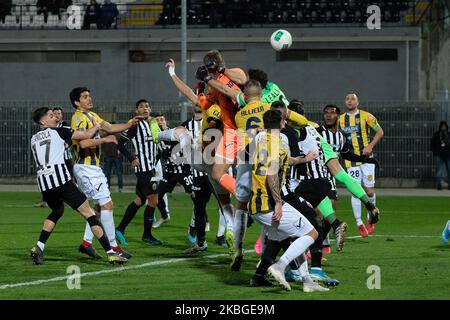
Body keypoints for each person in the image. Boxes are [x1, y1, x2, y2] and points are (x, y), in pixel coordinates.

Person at [29, 107, 127, 265]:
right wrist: (96, 125)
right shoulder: (60, 131)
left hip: (44, 184)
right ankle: (111, 253)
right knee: (90, 214)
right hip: (61, 181)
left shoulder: (34, 138)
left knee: (57, 211)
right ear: (43, 121)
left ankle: (38, 247)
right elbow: (86, 136)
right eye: (51, 115)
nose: (55, 117)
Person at [249, 110, 328, 293]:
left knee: (291, 237)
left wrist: (303, 159)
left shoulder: (261, 139)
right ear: (282, 123)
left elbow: (282, 161)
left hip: (256, 202)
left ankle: (307, 281)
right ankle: (280, 266)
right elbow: (271, 174)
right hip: (268, 203)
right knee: (312, 233)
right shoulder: (278, 143)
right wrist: (278, 203)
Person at [70, 87, 141, 259]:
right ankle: (114, 247)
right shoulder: (78, 118)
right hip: (87, 168)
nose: (89, 98)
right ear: (76, 102)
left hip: (92, 168)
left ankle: (86, 243)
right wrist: (104, 139)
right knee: (107, 205)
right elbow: (83, 144)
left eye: (89, 95)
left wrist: (130, 123)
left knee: (96, 208)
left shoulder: (92, 116)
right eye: (85, 97)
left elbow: (109, 127)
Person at [115, 99, 163, 246]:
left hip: (151, 168)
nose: (145, 108)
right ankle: (147, 235)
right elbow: (120, 143)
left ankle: (120, 229)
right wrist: (131, 159)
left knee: (139, 200)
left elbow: (158, 146)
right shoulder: (135, 125)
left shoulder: (154, 125)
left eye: (147, 106)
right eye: (141, 107)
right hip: (143, 169)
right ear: (137, 110)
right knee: (153, 200)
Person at [339, 92, 384, 237]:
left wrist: (370, 146)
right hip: (351, 160)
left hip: (367, 159)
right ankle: (359, 223)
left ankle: (370, 218)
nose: (350, 101)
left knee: (369, 191)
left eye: (353, 99)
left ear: (357, 102)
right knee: (355, 191)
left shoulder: (367, 116)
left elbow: (380, 132)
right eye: (347, 99)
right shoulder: (340, 119)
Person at [101, 125, 124, 192]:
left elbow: (123, 144)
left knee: (113, 173)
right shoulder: (116, 135)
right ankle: (115, 187)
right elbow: (102, 146)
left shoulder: (117, 135)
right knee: (110, 173)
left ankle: (119, 187)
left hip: (115, 156)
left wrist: (120, 150)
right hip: (110, 156)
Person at [431, 121, 450, 190]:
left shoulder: (449, 134)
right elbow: (432, 144)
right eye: (442, 126)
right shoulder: (436, 134)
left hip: (448, 155)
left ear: (446, 126)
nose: (443, 127)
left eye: (444, 126)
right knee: (439, 171)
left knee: (449, 170)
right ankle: (439, 185)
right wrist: (435, 153)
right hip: (439, 155)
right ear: (440, 126)